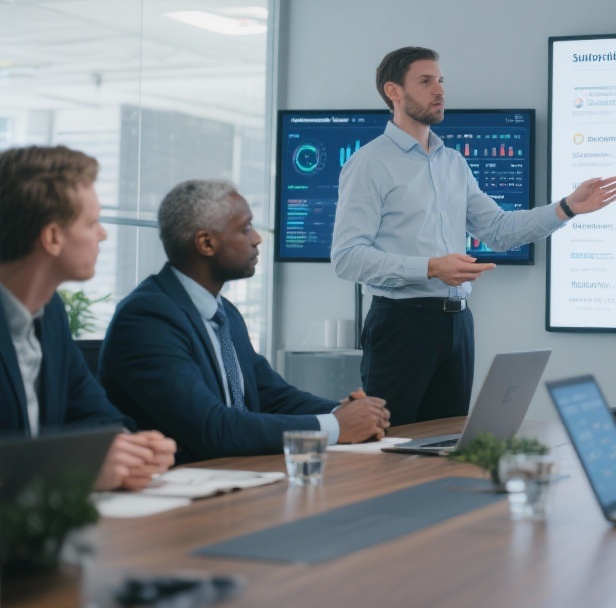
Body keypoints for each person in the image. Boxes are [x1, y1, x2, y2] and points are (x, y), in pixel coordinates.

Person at [332, 47, 616, 426]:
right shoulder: (368, 164)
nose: (439, 90)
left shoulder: (453, 162)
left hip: (456, 325)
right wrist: (431, 268)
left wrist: (565, 207)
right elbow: (348, 257)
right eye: (425, 81)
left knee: (446, 442)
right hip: (401, 325)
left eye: (440, 81)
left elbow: (498, 231)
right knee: (391, 446)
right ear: (394, 91)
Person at [100, 180, 391, 463]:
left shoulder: (224, 312)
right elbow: (212, 427)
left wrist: (349, 412)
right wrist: (336, 427)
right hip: (181, 490)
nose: (257, 238)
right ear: (206, 243)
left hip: (236, 476)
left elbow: (271, 395)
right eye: (245, 228)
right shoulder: (147, 319)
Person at [0, 145, 175, 490]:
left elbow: (97, 413)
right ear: (52, 237)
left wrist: (126, 449)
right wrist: (78, 467)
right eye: (92, 222)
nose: (103, 234)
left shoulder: (50, 314)